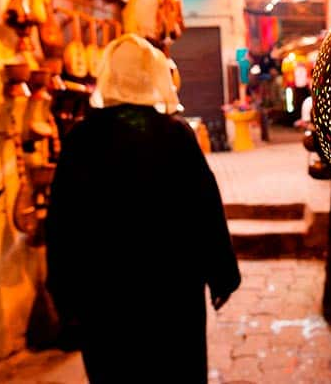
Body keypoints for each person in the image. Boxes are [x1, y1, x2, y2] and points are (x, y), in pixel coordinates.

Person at [45, 34, 241, 383]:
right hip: (171, 294)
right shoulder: (175, 136)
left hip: (105, 296)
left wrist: (65, 291)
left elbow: (62, 225)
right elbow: (205, 212)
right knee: (174, 370)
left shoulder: (81, 140)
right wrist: (221, 273)